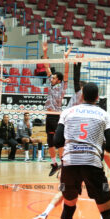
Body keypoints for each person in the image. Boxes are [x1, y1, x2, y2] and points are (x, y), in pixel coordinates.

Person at [52, 82, 110, 219]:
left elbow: (57, 141)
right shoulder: (104, 115)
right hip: (92, 165)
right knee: (107, 212)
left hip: (69, 165)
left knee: (68, 209)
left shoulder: (67, 112)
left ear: (82, 96)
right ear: (98, 97)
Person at [33, 149, 110, 219]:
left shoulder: (73, 134)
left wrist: (63, 169)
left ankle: (45, 213)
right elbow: (106, 154)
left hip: (70, 169)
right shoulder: (97, 134)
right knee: (102, 199)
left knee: (62, 193)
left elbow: (62, 148)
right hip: (92, 169)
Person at [43, 42, 72, 176]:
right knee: (50, 143)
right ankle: (54, 164)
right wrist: (45, 52)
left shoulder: (62, 87)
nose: (51, 78)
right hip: (49, 116)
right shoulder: (51, 85)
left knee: (59, 142)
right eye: (52, 77)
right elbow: (46, 66)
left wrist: (66, 58)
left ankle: (64, 164)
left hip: (56, 116)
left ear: (59, 80)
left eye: (54, 77)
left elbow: (66, 72)